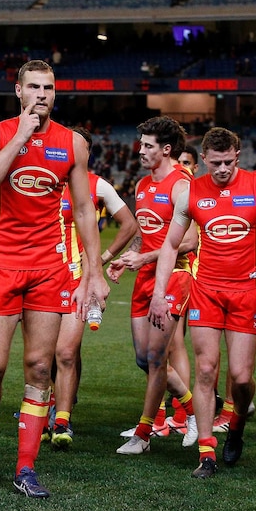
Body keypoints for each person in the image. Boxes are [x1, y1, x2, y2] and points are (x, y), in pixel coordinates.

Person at [0, 59, 110, 497]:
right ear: (19, 91)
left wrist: (95, 270)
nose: (42, 94)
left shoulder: (73, 143)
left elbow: (85, 209)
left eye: (48, 87)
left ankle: (25, 468)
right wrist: (22, 138)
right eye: (34, 87)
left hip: (49, 268)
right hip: (2, 265)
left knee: (39, 367)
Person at [148, 126, 256, 479]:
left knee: (242, 378)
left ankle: (238, 427)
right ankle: (206, 453)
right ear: (203, 159)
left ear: (239, 157)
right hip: (207, 292)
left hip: (247, 293)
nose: (222, 170)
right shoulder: (190, 193)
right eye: (215, 163)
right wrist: (159, 293)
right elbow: (171, 245)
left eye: (228, 162)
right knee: (205, 370)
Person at [108, 116, 200, 456]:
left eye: (148, 146)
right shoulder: (143, 185)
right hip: (146, 277)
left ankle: (144, 435)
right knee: (142, 359)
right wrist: (128, 258)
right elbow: (145, 235)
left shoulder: (181, 185)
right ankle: (193, 411)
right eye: (141, 144)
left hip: (174, 276)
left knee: (156, 358)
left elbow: (188, 241)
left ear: (165, 149)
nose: (140, 150)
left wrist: (144, 259)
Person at [50, 126, 138, 449]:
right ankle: (51, 406)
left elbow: (130, 224)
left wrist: (100, 259)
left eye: (81, 147)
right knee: (46, 355)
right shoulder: (48, 179)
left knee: (65, 351)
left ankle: (62, 419)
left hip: (79, 276)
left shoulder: (96, 184)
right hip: (44, 275)